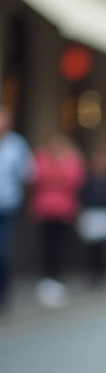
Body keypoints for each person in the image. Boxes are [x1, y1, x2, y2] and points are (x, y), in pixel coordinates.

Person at [30, 132, 85, 307]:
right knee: (46, 246)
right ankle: (46, 280)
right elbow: (37, 177)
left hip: (64, 211)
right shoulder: (40, 157)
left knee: (60, 247)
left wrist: (54, 175)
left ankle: (57, 279)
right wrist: (57, 176)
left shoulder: (72, 158)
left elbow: (74, 179)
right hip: (45, 210)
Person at [0, 106, 33, 311]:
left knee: (2, 251)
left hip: (8, 206)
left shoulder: (17, 146)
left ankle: (4, 292)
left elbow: (27, 176)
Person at [77, 149, 106, 287]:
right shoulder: (88, 180)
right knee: (92, 247)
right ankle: (93, 273)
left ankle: (104, 272)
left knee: (105, 247)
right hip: (92, 215)